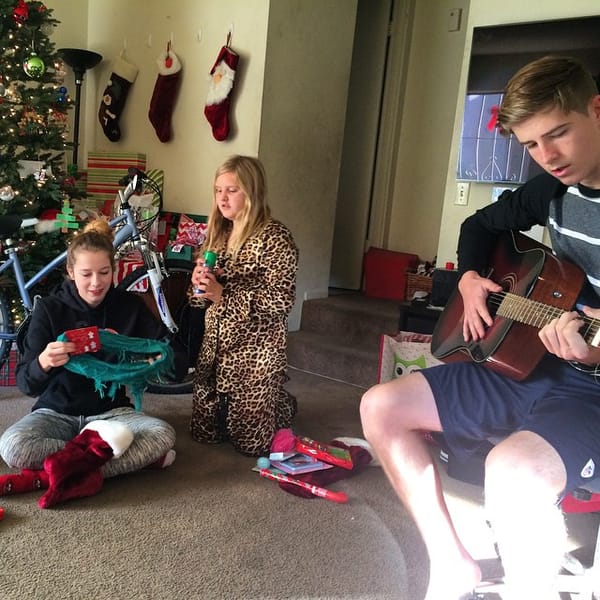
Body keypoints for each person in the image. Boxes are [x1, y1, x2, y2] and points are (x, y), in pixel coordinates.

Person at [360, 55, 600, 600]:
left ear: (597, 109)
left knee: (511, 471)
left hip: (592, 385)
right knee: (380, 406)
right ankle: (452, 565)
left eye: (558, 134)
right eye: (532, 145)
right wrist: (469, 277)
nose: (548, 156)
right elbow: (480, 224)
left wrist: (592, 352)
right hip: (536, 360)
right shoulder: (555, 190)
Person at [0, 220, 180, 507]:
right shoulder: (48, 309)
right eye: (86, 274)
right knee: (12, 446)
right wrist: (45, 361)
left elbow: (170, 358)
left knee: (162, 434)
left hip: (111, 415)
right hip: (56, 412)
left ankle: (55, 472)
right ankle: (106, 462)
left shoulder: (128, 306)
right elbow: (26, 382)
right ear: (70, 272)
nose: (96, 283)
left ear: (114, 270)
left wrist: (129, 349)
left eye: (104, 273)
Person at [189, 155, 298, 457]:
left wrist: (225, 295)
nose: (222, 198)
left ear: (252, 191)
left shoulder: (275, 238)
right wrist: (199, 285)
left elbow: (281, 301)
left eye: (232, 190)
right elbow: (197, 301)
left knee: (253, 445)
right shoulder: (218, 234)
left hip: (255, 353)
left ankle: (279, 403)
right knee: (204, 433)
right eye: (218, 190)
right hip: (215, 349)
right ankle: (271, 401)